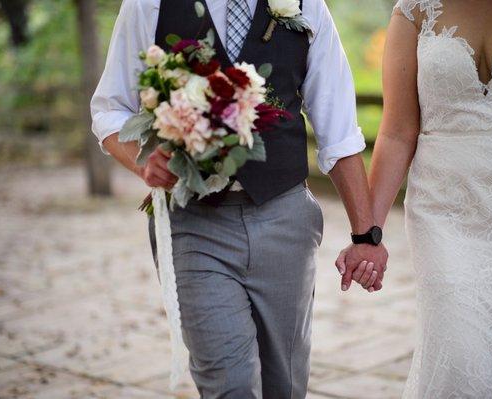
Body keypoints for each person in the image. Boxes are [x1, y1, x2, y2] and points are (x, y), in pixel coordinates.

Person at [90, 0, 387, 397]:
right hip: (192, 224)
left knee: (284, 384)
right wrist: (145, 162)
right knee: (228, 385)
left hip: (284, 217)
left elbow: (339, 130)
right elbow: (111, 108)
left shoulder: (304, 4)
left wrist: (365, 236)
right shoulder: (149, 4)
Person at [338, 0, 492, 397]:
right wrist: (368, 236)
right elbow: (397, 132)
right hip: (447, 216)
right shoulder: (412, 11)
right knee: (464, 358)